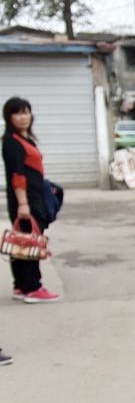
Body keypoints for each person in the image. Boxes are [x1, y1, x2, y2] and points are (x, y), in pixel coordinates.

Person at [3, 97, 59, 303]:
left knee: (21, 242)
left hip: (31, 197)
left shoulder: (24, 139)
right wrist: (23, 203)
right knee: (31, 242)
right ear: (9, 117)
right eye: (18, 113)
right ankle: (33, 287)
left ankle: (20, 286)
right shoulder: (12, 142)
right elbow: (18, 175)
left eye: (26, 112)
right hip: (26, 200)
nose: (24, 117)